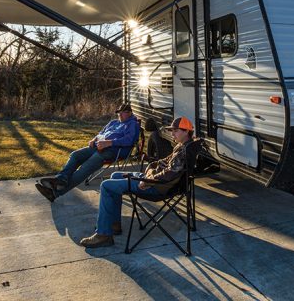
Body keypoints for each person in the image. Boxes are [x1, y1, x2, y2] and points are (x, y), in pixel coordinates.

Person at [79, 116, 195, 248]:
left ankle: (103, 235)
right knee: (116, 175)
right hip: (154, 180)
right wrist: (151, 165)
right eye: (171, 130)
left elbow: (169, 174)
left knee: (106, 185)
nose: (172, 133)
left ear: (186, 131)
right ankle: (113, 224)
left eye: (175, 130)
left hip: (156, 187)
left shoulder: (183, 151)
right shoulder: (182, 145)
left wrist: (147, 181)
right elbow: (164, 162)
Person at [36, 103, 138, 202]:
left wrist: (110, 143)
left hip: (114, 151)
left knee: (85, 167)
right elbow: (101, 133)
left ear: (129, 113)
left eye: (122, 113)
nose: (119, 115)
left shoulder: (132, 124)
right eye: (118, 113)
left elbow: (129, 140)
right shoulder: (114, 122)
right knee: (75, 155)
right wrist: (94, 139)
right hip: (99, 146)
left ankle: (54, 193)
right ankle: (61, 180)